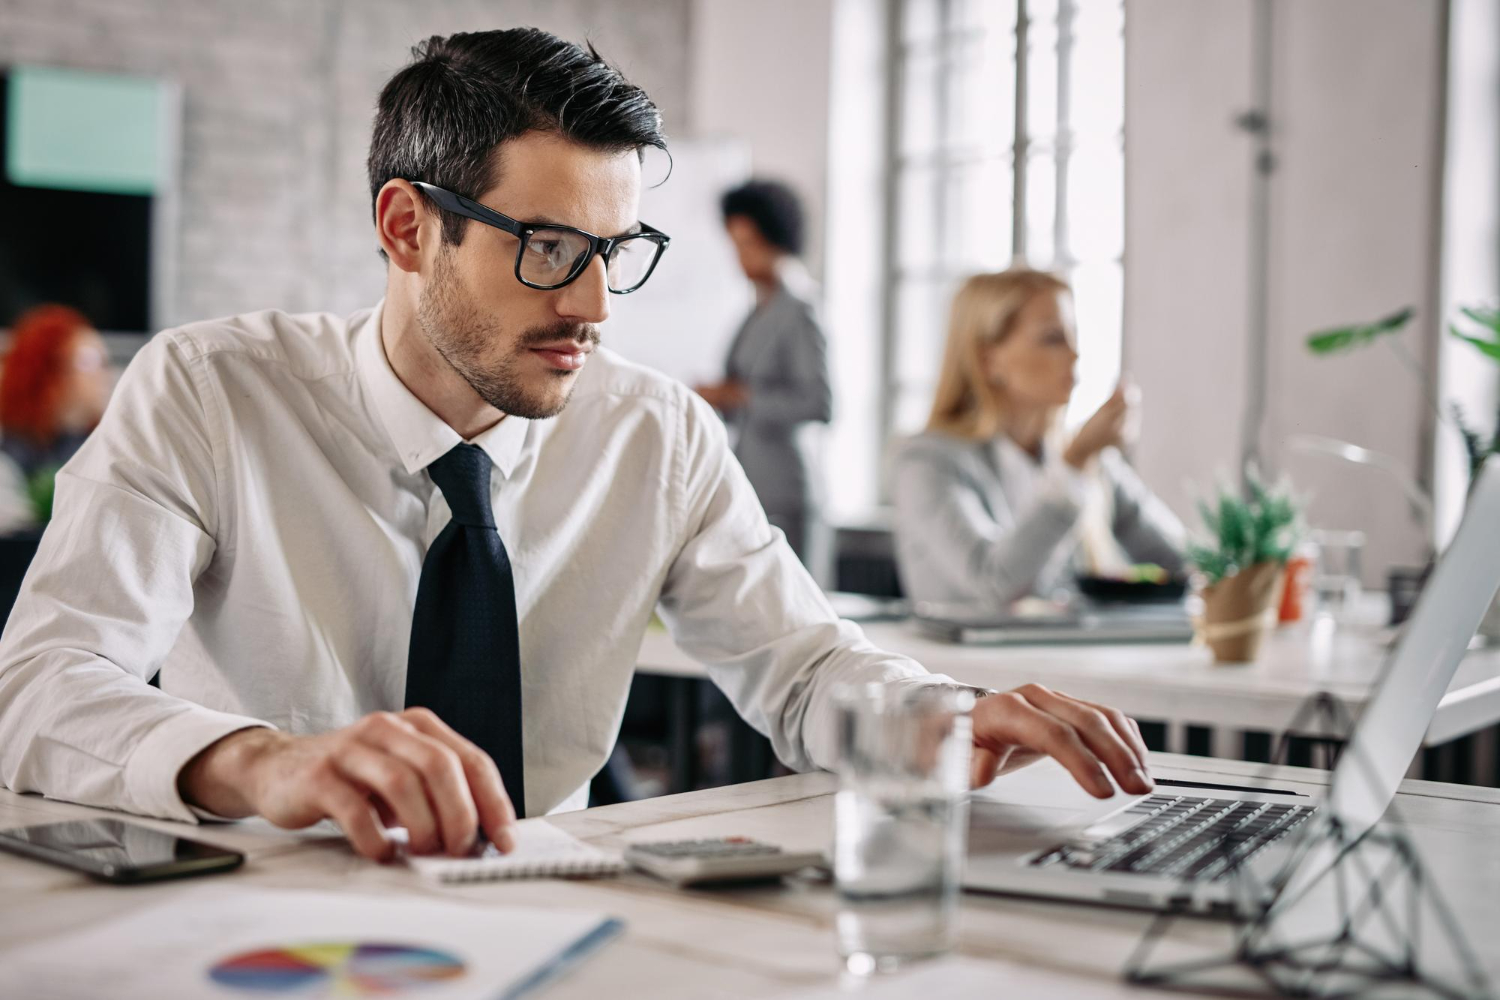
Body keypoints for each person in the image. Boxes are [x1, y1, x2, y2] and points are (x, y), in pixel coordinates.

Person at [0, 31, 1153, 864]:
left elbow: (801, 669)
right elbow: (39, 687)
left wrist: (938, 712)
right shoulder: (211, 391)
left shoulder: (657, 433)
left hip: (554, 911)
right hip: (265, 921)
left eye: (618, 248)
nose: (596, 304)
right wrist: (265, 762)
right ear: (409, 228)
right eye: (549, 246)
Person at [892, 269, 1186, 608]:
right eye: (1052, 338)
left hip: (1063, 660)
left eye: (1074, 335)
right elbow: (992, 583)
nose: (1075, 354)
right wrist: (1074, 465)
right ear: (989, 360)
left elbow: (1186, 559)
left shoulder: (1087, 458)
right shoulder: (927, 462)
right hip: (962, 662)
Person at [695, 180, 830, 569]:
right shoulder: (757, 311)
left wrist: (738, 396)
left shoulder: (800, 310)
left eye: (747, 243)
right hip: (753, 482)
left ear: (777, 239)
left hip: (787, 491)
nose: (738, 257)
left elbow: (819, 403)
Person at [0, 305, 112, 480]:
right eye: (92, 361)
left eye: (105, 362)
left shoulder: (101, 448)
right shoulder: (12, 458)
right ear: (49, 370)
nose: (104, 375)